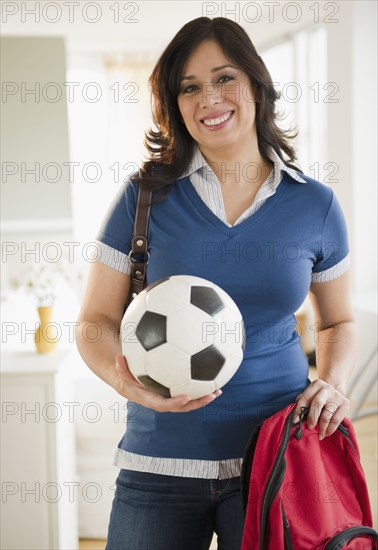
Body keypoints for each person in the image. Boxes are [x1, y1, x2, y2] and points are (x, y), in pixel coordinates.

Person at [76, 16, 357, 550]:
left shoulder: (314, 204)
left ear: (255, 84)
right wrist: (127, 385)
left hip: (274, 463)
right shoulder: (144, 197)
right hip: (158, 461)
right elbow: (94, 323)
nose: (210, 97)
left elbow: (339, 320)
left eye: (225, 78)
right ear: (175, 103)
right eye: (189, 86)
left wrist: (333, 383)